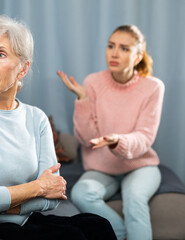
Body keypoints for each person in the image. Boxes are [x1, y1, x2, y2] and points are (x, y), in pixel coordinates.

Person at [0, 15, 117, 240]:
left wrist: (1, 201)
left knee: (97, 225)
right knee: (70, 237)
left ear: (23, 69)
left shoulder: (36, 118)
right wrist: (37, 187)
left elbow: (54, 196)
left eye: (0, 54)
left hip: (19, 222)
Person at [57, 25, 164, 240]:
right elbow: (86, 140)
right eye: (111, 46)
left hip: (141, 165)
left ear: (137, 57)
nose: (114, 53)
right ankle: (118, 233)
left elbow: (145, 136)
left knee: (134, 197)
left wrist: (119, 141)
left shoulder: (153, 87)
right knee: (81, 193)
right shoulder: (92, 83)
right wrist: (83, 100)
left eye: (124, 49)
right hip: (102, 167)